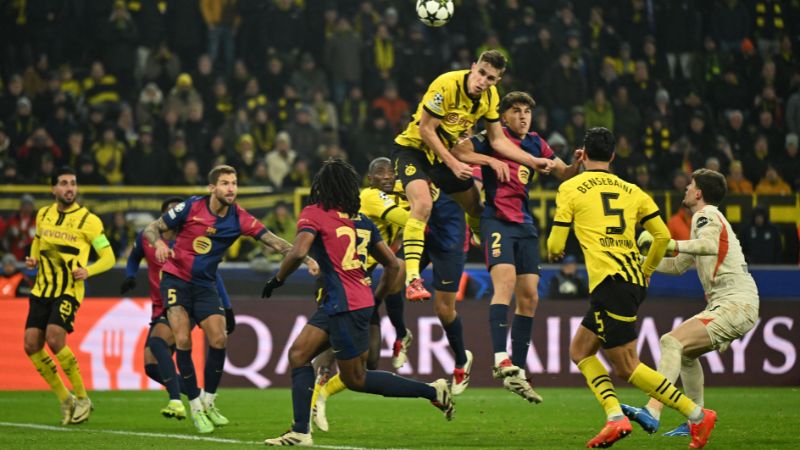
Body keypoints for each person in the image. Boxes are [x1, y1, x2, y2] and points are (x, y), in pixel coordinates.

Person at [261, 159, 454, 447]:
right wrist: (375, 299)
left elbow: (299, 251)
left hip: (344, 305)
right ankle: (300, 431)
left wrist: (277, 279)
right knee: (299, 355)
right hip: (348, 300)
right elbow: (393, 264)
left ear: (321, 187)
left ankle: (432, 391)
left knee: (356, 379)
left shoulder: (315, 212)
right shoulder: (362, 221)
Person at [546, 128, 717, 449]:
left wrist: (555, 249)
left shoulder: (570, 187)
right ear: (612, 156)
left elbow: (555, 244)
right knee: (580, 351)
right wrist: (648, 269)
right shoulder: (632, 190)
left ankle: (697, 414)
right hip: (630, 280)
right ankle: (614, 417)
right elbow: (663, 238)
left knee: (627, 366)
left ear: (582, 153)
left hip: (611, 283)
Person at [142, 165, 319, 434]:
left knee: (219, 338)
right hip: (176, 279)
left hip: (205, 285)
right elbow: (152, 229)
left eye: (234, 183)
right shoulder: (191, 207)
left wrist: (304, 258)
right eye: (225, 183)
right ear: (212, 188)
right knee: (183, 340)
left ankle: (210, 401)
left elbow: (272, 241)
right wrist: (160, 244)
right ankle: (196, 407)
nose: (231, 188)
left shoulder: (240, 218)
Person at [310, 157, 476, 433]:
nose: (387, 177)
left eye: (391, 173)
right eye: (380, 173)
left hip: (359, 286)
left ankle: (428, 384)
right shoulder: (372, 197)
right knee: (325, 351)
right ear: (369, 178)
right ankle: (312, 405)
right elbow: (411, 219)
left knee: (370, 362)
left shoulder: (393, 191)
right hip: (339, 284)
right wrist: (425, 200)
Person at [393, 49, 555, 301]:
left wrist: (532, 160)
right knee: (422, 204)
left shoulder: (490, 97)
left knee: (476, 207)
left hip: (443, 157)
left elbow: (497, 140)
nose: (483, 81)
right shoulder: (445, 84)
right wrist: (454, 164)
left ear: (497, 81)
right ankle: (413, 279)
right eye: (481, 73)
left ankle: (480, 237)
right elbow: (426, 129)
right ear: (472, 67)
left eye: (490, 78)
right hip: (414, 151)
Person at [451, 91, 582, 403]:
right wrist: (491, 161)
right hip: (496, 220)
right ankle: (500, 358)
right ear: (504, 115)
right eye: (516, 111)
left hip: (525, 225)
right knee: (505, 284)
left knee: (531, 297)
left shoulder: (536, 143)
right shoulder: (493, 138)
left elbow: (563, 173)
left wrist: (577, 164)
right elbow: (459, 150)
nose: (523, 117)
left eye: (527, 112)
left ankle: (518, 372)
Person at [622, 168, 760, 438]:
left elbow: (707, 246)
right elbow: (677, 265)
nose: (685, 188)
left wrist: (667, 241)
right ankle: (696, 419)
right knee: (684, 354)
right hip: (733, 302)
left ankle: (653, 409)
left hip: (735, 301)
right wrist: (640, 262)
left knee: (671, 342)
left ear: (699, 193)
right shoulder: (706, 220)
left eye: (690, 185)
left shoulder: (704, 214)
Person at [121, 197, 234, 419]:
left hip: (185, 304)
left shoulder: (192, 240)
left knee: (157, 342)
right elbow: (134, 257)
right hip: (159, 307)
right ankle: (197, 394)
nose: (175, 217)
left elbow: (214, 275)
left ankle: (176, 401)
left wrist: (227, 307)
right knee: (151, 366)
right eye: (170, 213)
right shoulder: (149, 238)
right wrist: (130, 275)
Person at [23, 166, 116, 425]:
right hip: (42, 289)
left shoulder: (90, 221)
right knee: (31, 345)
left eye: (73, 183)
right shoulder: (43, 214)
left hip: (68, 290)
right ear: (53, 189)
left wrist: (89, 270)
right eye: (63, 183)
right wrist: (33, 259)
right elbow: (38, 240)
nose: (69, 188)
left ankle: (83, 398)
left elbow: (108, 257)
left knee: (54, 338)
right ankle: (66, 400)